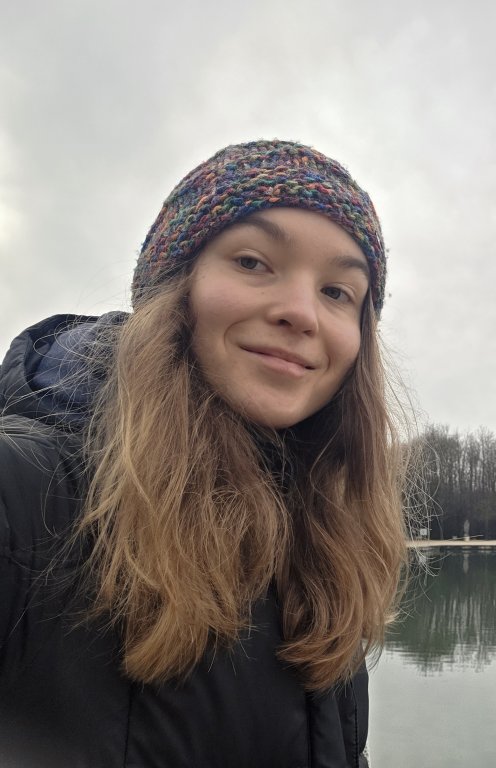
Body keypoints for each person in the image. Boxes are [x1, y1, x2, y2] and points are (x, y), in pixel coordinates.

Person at [0, 140, 409, 767]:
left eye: (337, 292)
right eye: (252, 261)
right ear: (174, 289)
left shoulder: (328, 535)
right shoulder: (22, 493)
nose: (301, 312)